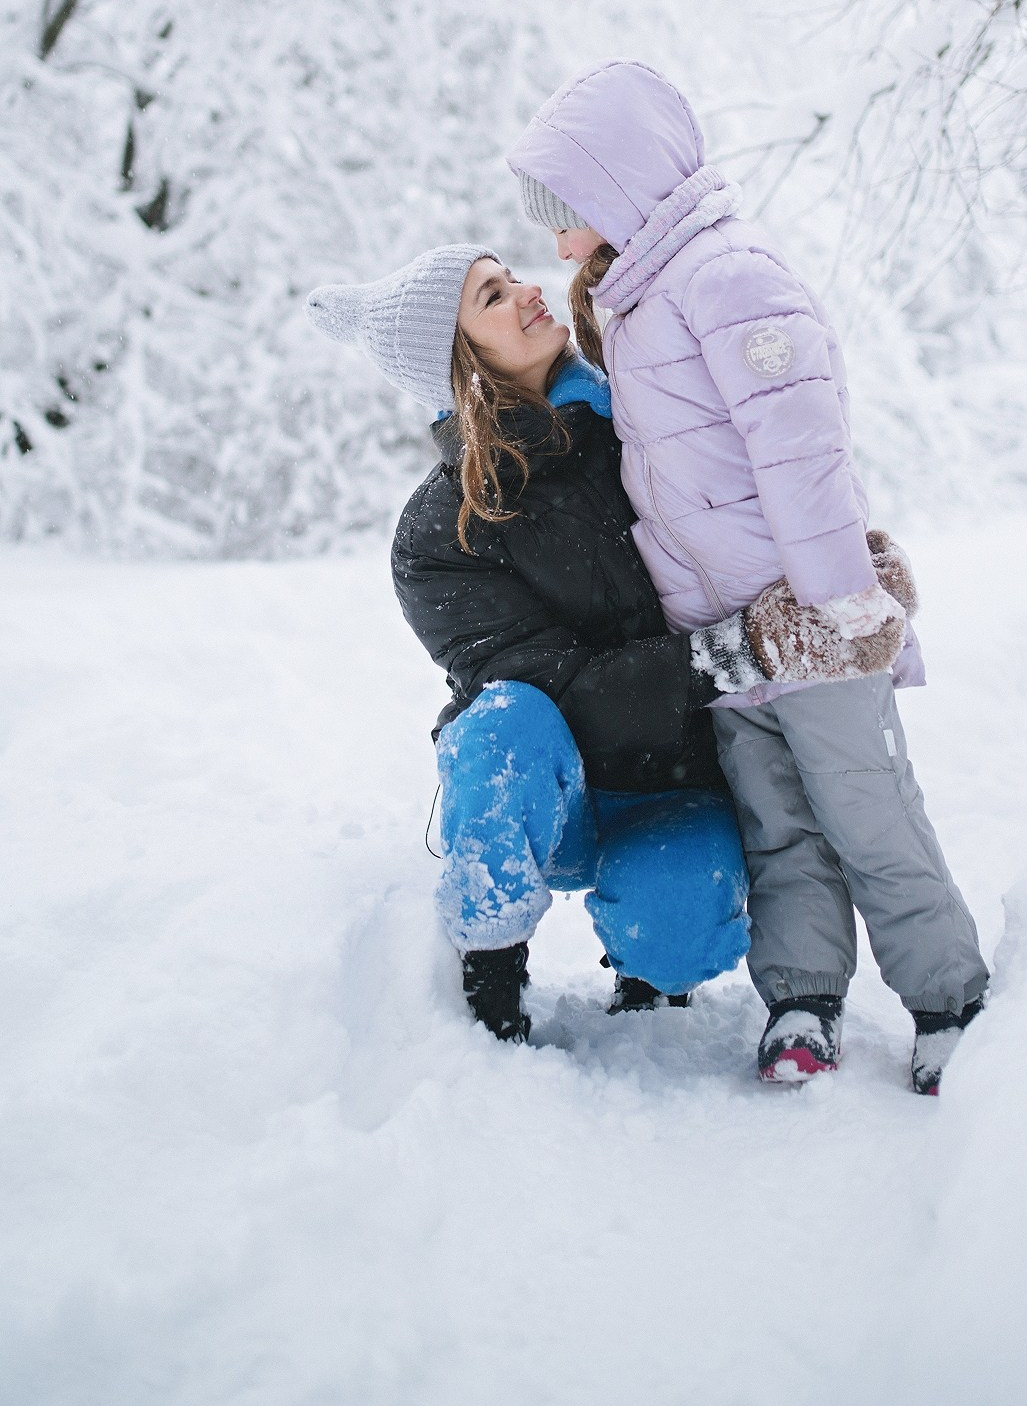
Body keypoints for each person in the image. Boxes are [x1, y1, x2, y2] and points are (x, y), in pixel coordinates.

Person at [509, 61, 990, 1094]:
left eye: (568, 214)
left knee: (869, 813)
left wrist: (835, 601)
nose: (556, 245)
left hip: (809, 624)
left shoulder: (730, 277)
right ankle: (804, 998)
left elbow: (800, 446)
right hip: (725, 632)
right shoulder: (635, 296)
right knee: (778, 826)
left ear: (622, 185)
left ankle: (948, 996)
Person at [305, 244, 863, 1044]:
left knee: (680, 931)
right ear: (461, 363)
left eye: (510, 274)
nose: (528, 290)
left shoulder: (641, 435)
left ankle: (648, 958)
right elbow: (553, 687)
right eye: (492, 296)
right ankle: (490, 975)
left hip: (672, 774)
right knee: (501, 722)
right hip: (551, 782)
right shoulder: (439, 531)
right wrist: (728, 654)